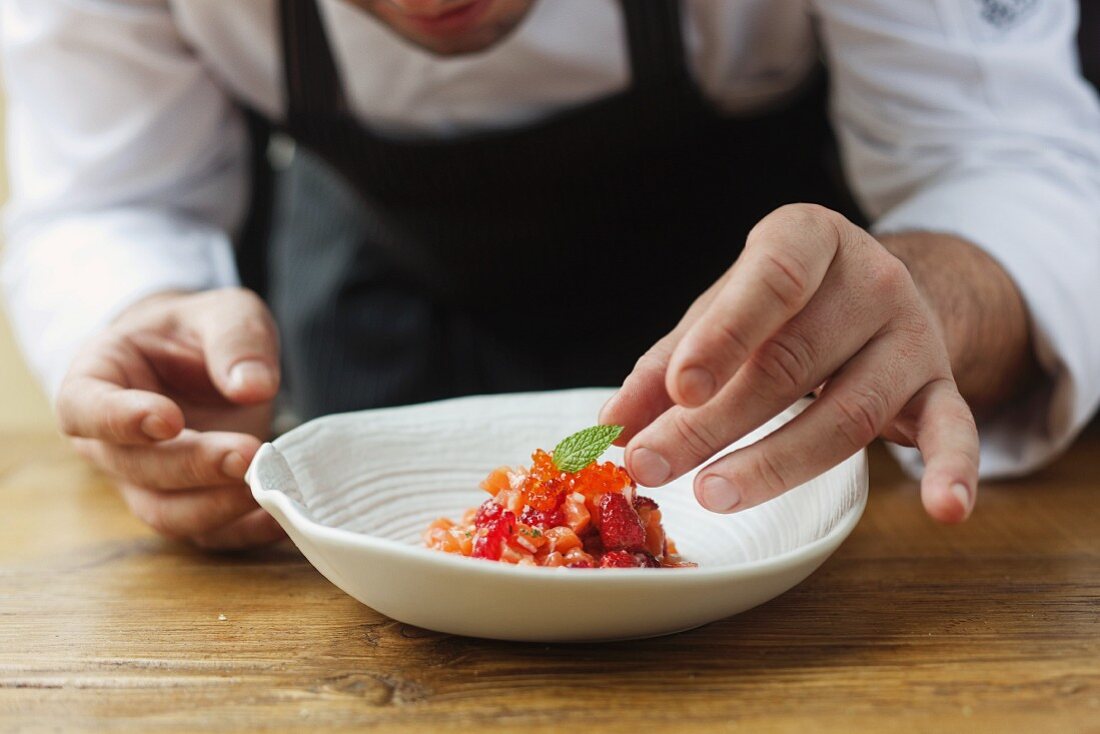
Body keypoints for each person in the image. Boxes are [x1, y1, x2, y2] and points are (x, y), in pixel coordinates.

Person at [2, 1, 1098, 549]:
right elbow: (109, 195)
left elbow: (1005, 160)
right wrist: (139, 327)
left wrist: (930, 295)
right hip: (381, 323)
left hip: (780, 367)